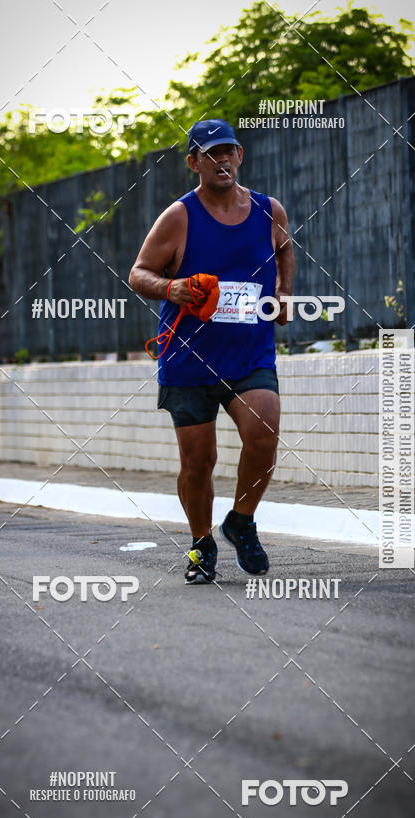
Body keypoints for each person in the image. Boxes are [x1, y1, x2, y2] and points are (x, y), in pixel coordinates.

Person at [129, 119, 295, 584]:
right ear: (193, 163)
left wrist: (283, 292)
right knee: (198, 464)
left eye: (228, 151)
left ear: (239, 155)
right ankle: (201, 543)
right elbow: (138, 274)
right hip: (189, 359)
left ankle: (241, 521)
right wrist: (172, 287)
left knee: (264, 433)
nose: (221, 160)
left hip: (249, 354)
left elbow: (285, 250)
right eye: (209, 153)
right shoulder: (179, 216)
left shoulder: (267, 210)